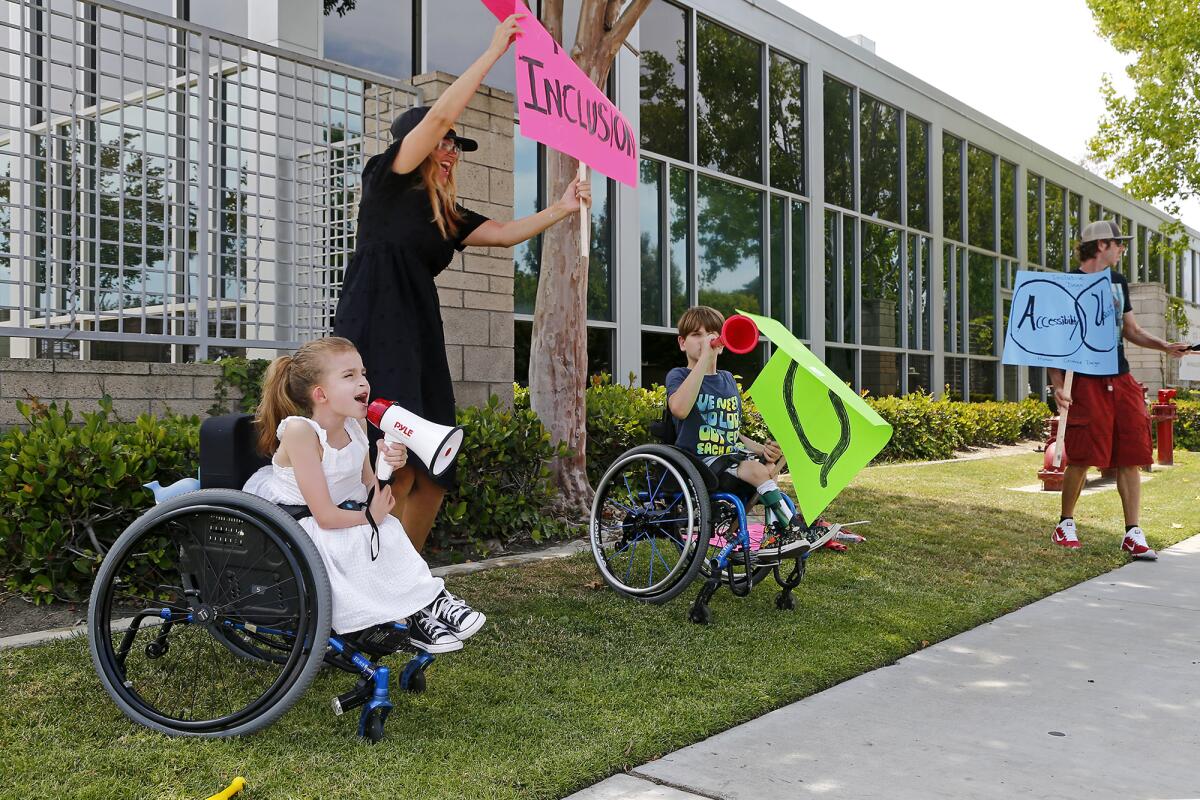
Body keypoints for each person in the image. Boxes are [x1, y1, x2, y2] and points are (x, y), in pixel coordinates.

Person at [333, 13, 590, 552]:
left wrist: (562, 209)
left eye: (456, 145)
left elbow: (502, 233)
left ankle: (410, 578)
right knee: (394, 468)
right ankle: (376, 581)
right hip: (373, 328)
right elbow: (445, 109)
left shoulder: (444, 214)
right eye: (443, 141)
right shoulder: (386, 178)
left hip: (420, 334)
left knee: (434, 474)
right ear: (416, 142)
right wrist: (496, 50)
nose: (450, 150)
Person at [243, 337, 485, 654]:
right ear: (321, 394)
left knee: (389, 530)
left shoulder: (356, 425)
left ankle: (425, 606)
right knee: (359, 536)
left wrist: (388, 467)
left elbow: (370, 488)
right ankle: (415, 613)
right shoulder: (301, 432)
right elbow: (324, 516)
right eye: (349, 376)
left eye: (363, 373)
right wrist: (368, 517)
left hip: (340, 513)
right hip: (297, 520)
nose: (363, 382)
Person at [1050, 220, 1190, 559]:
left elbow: (1131, 329)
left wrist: (1165, 346)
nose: (1122, 249)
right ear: (1101, 246)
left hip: (1121, 378)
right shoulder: (1067, 285)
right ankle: (1065, 523)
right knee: (1082, 455)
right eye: (1118, 243)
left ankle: (1132, 533)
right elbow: (1052, 341)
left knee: (1132, 450)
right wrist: (1056, 386)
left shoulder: (1118, 282)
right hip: (1083, 379)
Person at [665, 306, 837, 555]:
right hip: (698, 462)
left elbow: (731, 432)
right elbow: (679, 409)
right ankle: (792, 527)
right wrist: (703, 360)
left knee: (769, 465)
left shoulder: (727, 380)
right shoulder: (679, 375)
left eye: (713, 334)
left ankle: (771, 534)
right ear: (682, 343)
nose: (707, 340)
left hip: (727, 457)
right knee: (756, 470)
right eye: (697, 334)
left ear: (722, 344)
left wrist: (762, 448)